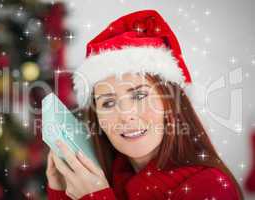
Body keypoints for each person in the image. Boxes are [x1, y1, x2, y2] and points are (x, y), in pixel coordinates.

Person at [45, 10, 243, 200]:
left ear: (171, 103)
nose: (126, 115)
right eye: (109, 102)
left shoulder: (209, 187)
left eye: (139, 96)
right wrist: (63, 194)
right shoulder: (105, 179)